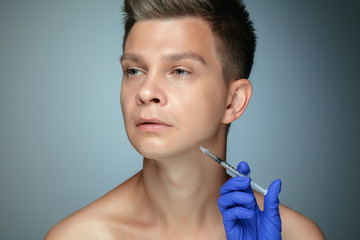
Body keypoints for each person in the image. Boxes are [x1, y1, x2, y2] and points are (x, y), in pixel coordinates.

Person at [45, 0, 325, 239]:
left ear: (233, 101)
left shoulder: (297, 235)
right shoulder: (78, 235)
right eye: (134, 70)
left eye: (179, 71)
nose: (145, 92)